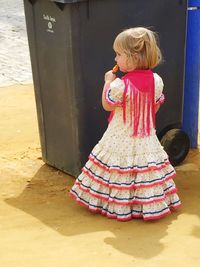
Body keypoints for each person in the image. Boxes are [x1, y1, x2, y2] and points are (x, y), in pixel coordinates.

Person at [69, 27, 181, 221]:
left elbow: (106, 105)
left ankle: (118, 206)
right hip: (146, 137)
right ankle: (143, 206)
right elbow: (154, 109)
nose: (115, 59)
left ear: (134, 57)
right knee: (144, 170)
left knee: (119, 168)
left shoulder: (120, 85)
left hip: (119, 135)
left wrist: (107, 82)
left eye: (119, 54)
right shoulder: (157, 80)